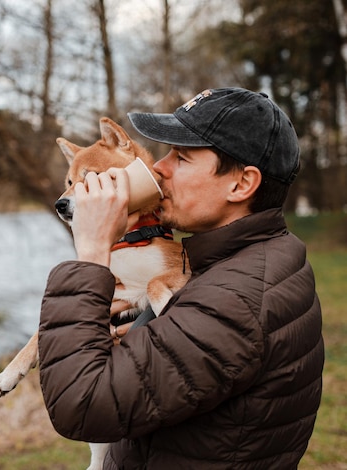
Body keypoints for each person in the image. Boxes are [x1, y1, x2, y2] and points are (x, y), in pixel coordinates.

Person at [37, 87, 324, 469]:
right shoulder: (249, 259)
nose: (158, 166)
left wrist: (91, 255)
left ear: (241, 184)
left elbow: (82, 406)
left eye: (181, 157)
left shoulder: (235, 302)